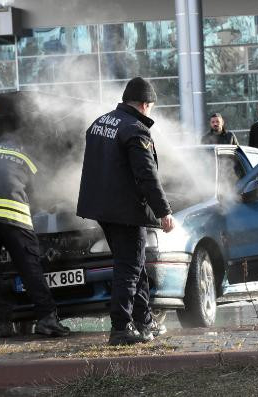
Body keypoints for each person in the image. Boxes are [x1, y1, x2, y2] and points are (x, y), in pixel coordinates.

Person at [77, 76, 175, 346]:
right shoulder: (136, 129)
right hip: (125, 210)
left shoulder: (100, 123)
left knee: (134, 262)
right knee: (129, 266)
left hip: (102, 207)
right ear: (145, 104)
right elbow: (146, 175)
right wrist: (163, 211)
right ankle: (121, 326)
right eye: (152, 107)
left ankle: (144, 321)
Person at [0, 121, 70, 339]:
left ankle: (2, 324)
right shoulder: (24, 158)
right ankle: (47, 319)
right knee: (29, 268)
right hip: (13, 217)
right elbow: (42, 194)